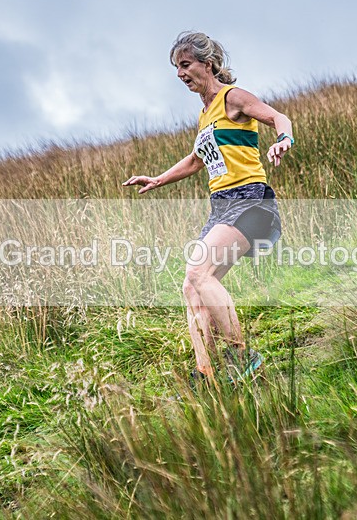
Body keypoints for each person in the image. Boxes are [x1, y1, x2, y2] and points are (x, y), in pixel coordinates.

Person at [122, 31, 294, 385]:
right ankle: (208, 374)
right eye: (176, 68)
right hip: (221, 208)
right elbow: (196, 160)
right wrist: (157, 180)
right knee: (192, 284)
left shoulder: (233, 98)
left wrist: (283, 140)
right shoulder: (205, 116)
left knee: (199, 273)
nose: (180, 73)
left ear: (208, 64)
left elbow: (279, 117)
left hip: (250, 199)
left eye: (185, 64)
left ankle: (243, 355)